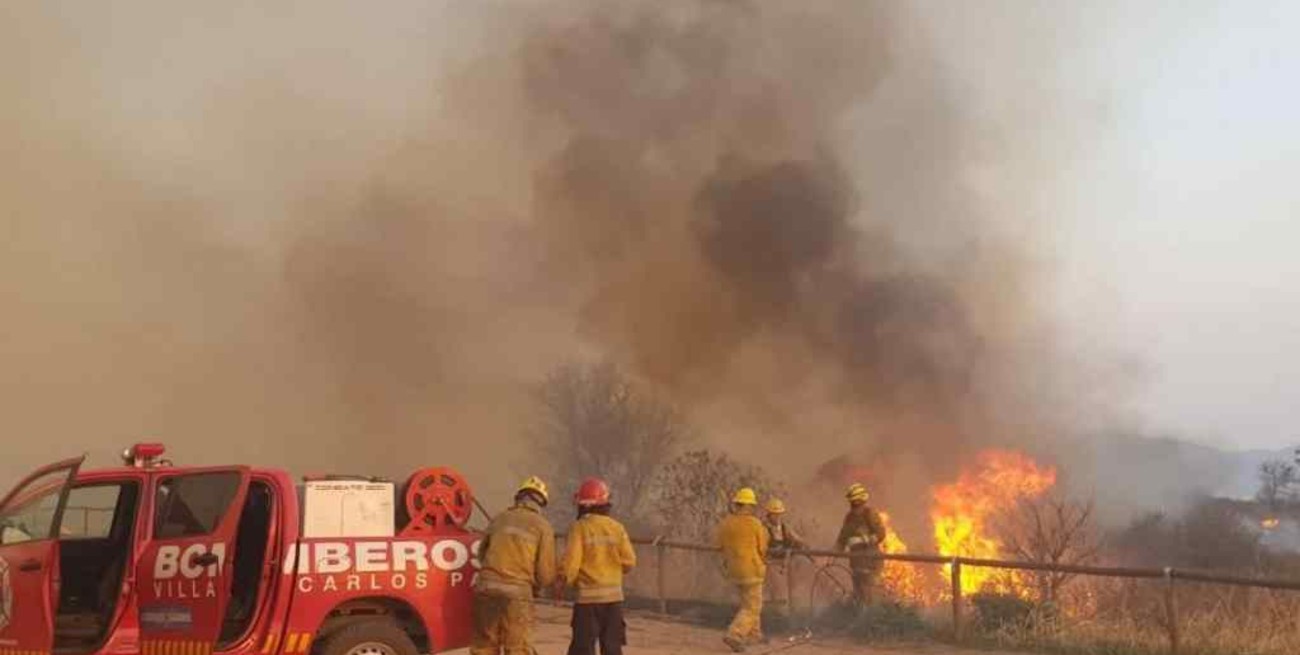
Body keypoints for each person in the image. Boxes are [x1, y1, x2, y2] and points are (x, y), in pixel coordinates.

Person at [471, 476, 557, 655]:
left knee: (484, 647)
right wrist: (537, 586)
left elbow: (481, 553)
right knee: (518, 648)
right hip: (517, 595)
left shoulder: (499, 518)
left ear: (519, 497)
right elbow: (545, 573)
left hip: (486, 589)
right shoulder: (542, 526)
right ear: (540, 502)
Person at [560, 477, 637, 655]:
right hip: (614, 602)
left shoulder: (579, 528)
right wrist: (613, 571)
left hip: (587, 602)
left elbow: (571, 565)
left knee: (582, 649)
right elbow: (630, 562)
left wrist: (562, 582)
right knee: (612, 649)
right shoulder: (617, 528)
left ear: (583, 504)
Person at [716, 487, 770, 653]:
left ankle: (755, 634)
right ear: (747, 505)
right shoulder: (754, 524)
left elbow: (720, 546)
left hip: (734, 570)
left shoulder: (725, 523)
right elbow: (763, 548)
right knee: (753, 607)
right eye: (751, 506)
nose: (752, 509)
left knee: (748, 602)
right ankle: (735, 634)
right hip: (752, 571)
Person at [833, 483, 887, 608]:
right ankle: (859, 617)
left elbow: (880, 533)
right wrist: (833, 553)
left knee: (869, 591)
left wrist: (864, 540)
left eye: (856, 502)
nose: (854, 505)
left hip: (870, 559)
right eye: (852, 502)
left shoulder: (870, 513)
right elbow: (842, 538)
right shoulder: (849, 517)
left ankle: (871, 618)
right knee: (858, 591)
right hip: (856, 561)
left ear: (861, 501)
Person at [762, 498, 807, 629]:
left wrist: (802, 545)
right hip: (770, 564)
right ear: (768, 515)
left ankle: (788, 621)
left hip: (785, 564)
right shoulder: (764, 530)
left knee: (791, 593)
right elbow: (762, 547)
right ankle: (777, 622)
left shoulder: (784, 528)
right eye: (774, 514)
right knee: (777, 594)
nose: (777, 517)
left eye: (779, 514)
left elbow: (797, 539)